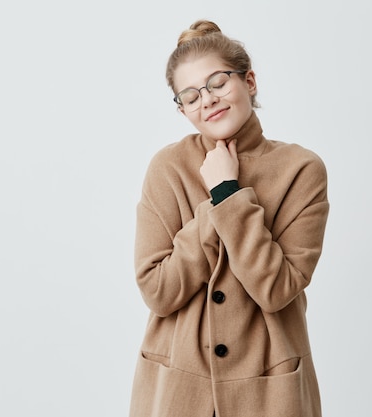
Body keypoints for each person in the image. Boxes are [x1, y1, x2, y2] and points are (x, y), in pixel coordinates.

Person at [128, 19, 329, 417]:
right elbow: (158, 291)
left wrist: (228, 195)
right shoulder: (167, 167)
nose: (207, 100)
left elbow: (276, 288)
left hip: (270, 392)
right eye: (190, 95)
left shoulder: (301, 170)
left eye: (218, 82)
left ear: (249, 81)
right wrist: (215, 206)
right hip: (178, 390)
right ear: (183, 108)